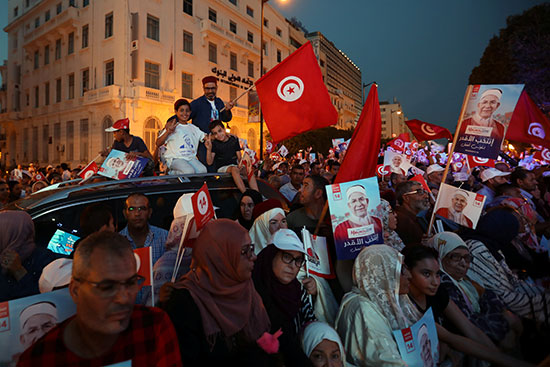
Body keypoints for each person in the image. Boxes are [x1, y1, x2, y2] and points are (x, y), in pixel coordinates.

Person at [17, 231, 182, 366]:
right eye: (107, 287)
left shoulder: (153, 326)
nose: (123, 298)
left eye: (131, 282)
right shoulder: (39, 360)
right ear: (75, 291)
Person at [162, 219, 271, 366]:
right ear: (220, 257)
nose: (253, 256)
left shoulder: (248, 287)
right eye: (245, 251)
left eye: (251, 248)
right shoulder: (185, 303)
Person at [403, 245, 533, 367]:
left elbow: (469, 329)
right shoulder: (406, 305)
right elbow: (452, 338)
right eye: (426, 274)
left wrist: (502, 359)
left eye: (437, 274)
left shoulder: (438, 293)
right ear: (407, 272)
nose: (435, 282)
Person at [430, 232, 521, 349]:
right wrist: (504, 321)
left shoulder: (466, 279)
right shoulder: (442, 285)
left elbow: (489, 297)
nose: (464, 264)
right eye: (455, 257)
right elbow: (469, 325)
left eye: (467, 258)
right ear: (440, 256)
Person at [335, 245, 420, 366]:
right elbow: (387, 362)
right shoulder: (363, 310)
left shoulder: (392, 299)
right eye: (400, 271)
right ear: (383, 273)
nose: (409, 276)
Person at [462, 208, 550, 322]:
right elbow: (503, 295)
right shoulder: (478, 249)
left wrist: (542, 295)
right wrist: (544, 301)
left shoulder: (492, 246)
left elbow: (513, 282)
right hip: (501, 309)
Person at [252, 229, 317, 367]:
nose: (293, 266)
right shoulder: (252, 290)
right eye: (287, 257)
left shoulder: (298, 290)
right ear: (271, 256)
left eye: (298, 260)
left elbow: (310, 324)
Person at [1, 211, 57, 302]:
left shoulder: (44, 259)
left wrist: (18, 271)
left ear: (12, 235)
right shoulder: (2, 257)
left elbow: (44, 299)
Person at [190, 76, 234, 168]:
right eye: (207, 88)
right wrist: (171, 122)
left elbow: (226, 118)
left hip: (218, 144)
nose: (210, 91)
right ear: (203, 88)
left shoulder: (219, 102)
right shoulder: (197, 104)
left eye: (213, 88)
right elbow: (184, 115)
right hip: (204, 145)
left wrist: (227, 110)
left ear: (216, 88)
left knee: (220, 167)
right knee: (206, 168)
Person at [156, 98, 208, 174]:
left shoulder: (194, 128)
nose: (185, 113)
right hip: (175, 159)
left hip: (191, 159)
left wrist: (223, 135)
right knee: (189, 172)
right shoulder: (171, 126)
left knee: (203, 171)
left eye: (187, 110)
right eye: (181, 110)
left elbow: (206, 137)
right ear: (176, 112)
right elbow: (158, 143)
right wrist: (168, 132)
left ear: (190, 112)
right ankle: (170, 172)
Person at [206, 120, 259, 193]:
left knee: (248, 170)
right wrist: (209, 149)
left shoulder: (234, 140)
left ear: (224, 129)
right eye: (215, 133)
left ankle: (256, 194)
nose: (219, 135)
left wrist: (242, 165)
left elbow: (239, 157)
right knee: (234, 169)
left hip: (235, 166)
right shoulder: (215, 143)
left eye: (220, 131)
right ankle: (245, 193)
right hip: (222, 168)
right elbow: (209, 162)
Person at [119, 193, 168, 265]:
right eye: (132, 209)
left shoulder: (165, 237)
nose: (137, 214)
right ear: (125, 213)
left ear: (149, 212)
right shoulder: (117, 241)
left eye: (142, 208)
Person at [394, 181, 431, 247]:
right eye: (420, 193)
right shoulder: (400, 220)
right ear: (406, 198)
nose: (426, 196)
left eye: (425, 192)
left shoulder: (416, 218)